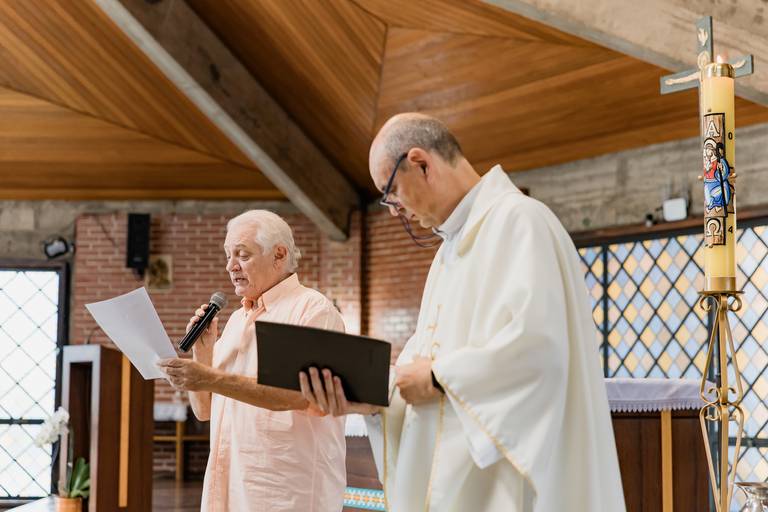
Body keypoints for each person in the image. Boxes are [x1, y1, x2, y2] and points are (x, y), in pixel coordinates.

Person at [301, 113, 626, 511]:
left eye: (391, 191)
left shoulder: (519, 222)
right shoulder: (448, 253)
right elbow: (421, 371)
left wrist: (439, 378)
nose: (393, 210)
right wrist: (371, 400)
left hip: (509, 488)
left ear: (421, 163)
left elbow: (539, 349)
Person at [158, 210, 346, 512]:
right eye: (228, 255)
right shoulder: (235, 320)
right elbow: (204, 411)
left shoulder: (312, 310)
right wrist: (202, 354)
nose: (231, 266)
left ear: (279, 254)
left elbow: (301, 395)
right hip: (229, 487)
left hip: (283, 494)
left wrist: (209, 377)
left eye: (242, 255)